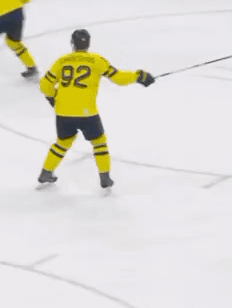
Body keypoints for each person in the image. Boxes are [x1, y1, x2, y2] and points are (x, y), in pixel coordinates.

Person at [36, 29, 154, 191]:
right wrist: (139, 76)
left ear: (72, 43)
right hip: (87, 112)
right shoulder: (96, 60)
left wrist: (53, 98)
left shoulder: (62, 61)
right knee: (99, 142)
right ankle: (105, 177)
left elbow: (44, 84)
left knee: (62, 142)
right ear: (89, 43)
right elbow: (118, 78)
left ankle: (46, 172)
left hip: (63, 111)